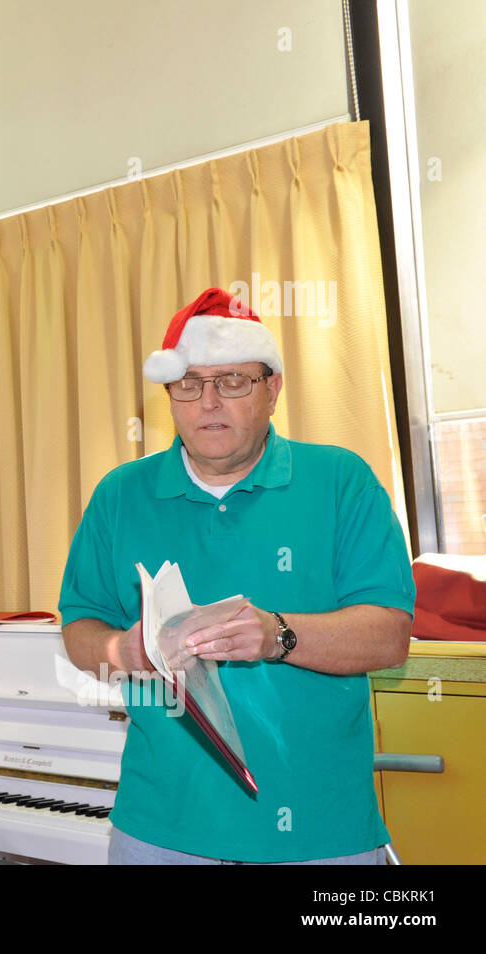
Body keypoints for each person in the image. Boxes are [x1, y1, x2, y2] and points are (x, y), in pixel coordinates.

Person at [59, 287, 414, 865]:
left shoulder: (341, 480)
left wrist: (276, 635)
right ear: (170, 396)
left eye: (232, 382)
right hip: (158, 829)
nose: (208, 403)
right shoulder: (119, 495)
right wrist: (121, 650)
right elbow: (79, 626)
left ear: (272, 388)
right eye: (189, 385)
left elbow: (389, 636)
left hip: (319, 832)